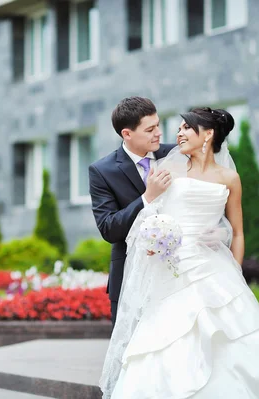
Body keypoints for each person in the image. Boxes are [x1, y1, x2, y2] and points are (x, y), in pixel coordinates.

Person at [99, 107, 259, 398]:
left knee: (227, 337)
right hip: (170, 267)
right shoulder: (167, 167)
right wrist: (153, 240)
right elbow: (146, 217)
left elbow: (236, 230)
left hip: (212, 267)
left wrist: (233, 269)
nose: (177, 132)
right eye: (178, 127)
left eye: (187, 127)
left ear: (208, 134)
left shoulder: (229, 178)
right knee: (166, 339)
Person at [88, 97, 175, 326]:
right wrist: (147, 197)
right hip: (130, 275)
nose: (159, 132)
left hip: (177, 273)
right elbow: (108, 228)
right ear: (127, 134)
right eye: (150, 129)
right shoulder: (102, 171)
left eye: (158, 124)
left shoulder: (176, 155)